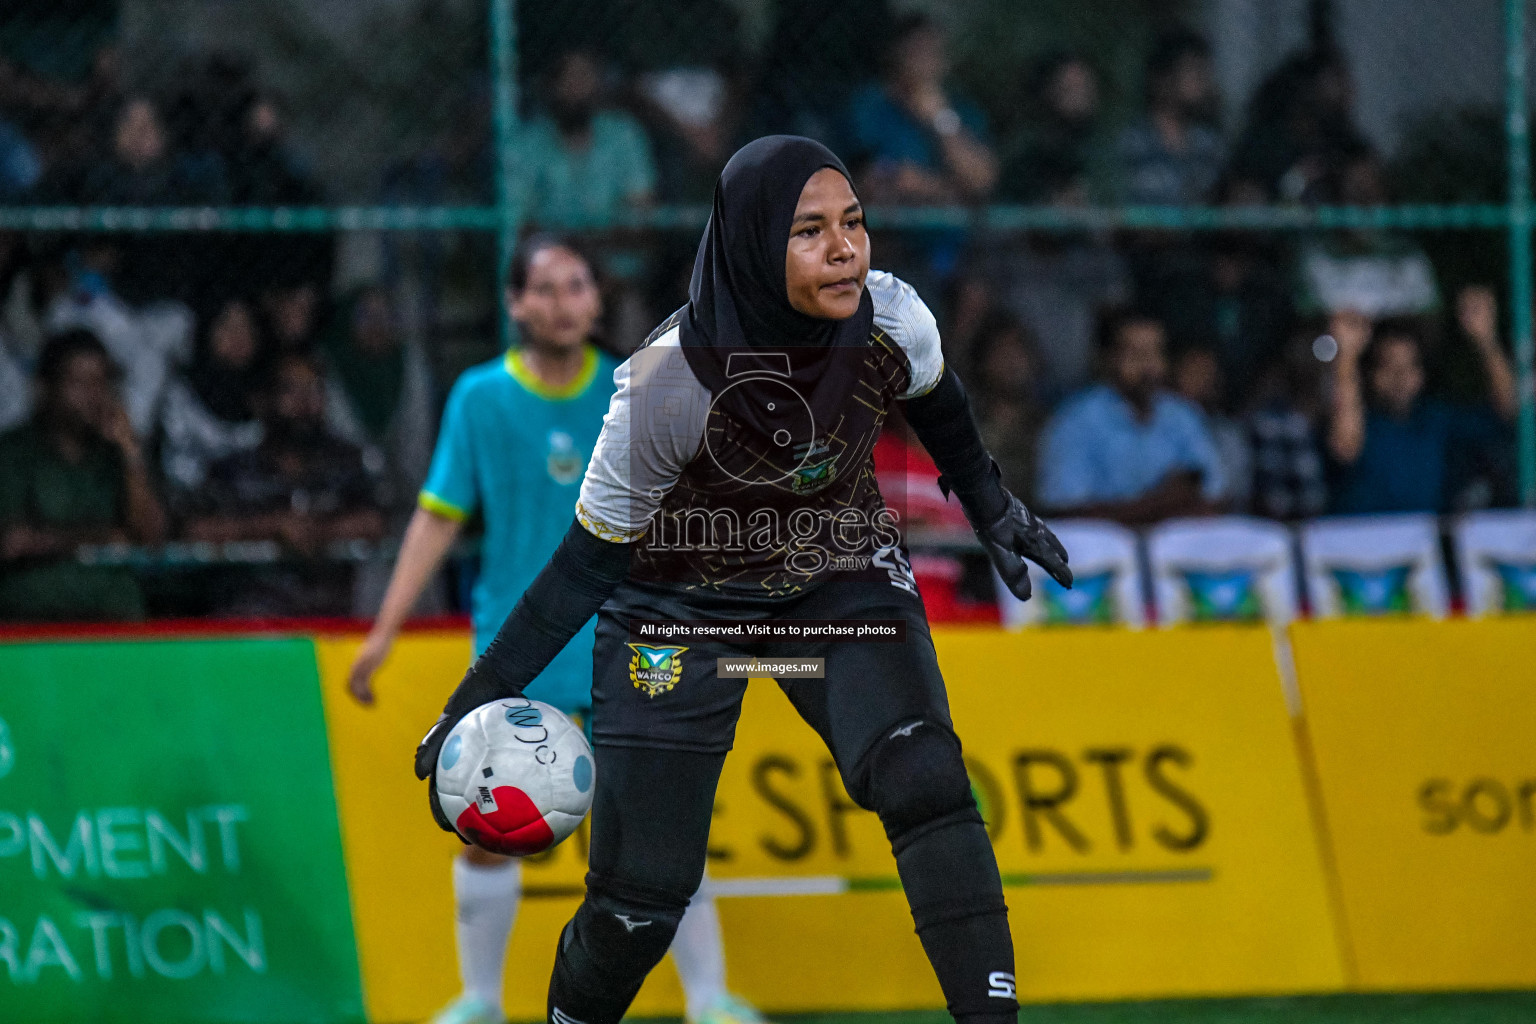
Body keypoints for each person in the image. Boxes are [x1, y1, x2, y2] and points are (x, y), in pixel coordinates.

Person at [413, 136, 1071, 1024]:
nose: (846, 249)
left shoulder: (890, 316)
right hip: (677, 618)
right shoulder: (665, 384)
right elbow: (586, 564)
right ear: (755, 245)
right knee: (638, 906)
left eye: (854, 223)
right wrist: (477, 694)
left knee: (923, 774)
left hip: (836, 581)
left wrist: (989, 501)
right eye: (809, 232)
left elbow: (938, 399)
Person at [347, 236, 765, 1024]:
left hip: (628, 648)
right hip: (519, 654)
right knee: (482, 825)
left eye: (577, 285)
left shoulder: (631, 388)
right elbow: (437, 520)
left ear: (596, 301)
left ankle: (711, 1001)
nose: (564, 301)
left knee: (661, 829)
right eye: (544, 288)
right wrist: (383, 634)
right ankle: (478, 1001)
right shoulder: (477, 398)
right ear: (515, 304)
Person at [185, 351, 385, 616]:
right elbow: (197, 530)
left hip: (328, 625)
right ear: (263, 401)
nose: (304, 403)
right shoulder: (233, 470)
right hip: (248, 624)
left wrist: (319, 530)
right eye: (291, 391)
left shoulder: (346, 462)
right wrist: (271, 527)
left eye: (314, 390)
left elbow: (376, 522)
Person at [0, 328, 165, 621]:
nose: (94, 395)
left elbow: (150, 537)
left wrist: (131, 455)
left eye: (101, 382)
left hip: (112, 609)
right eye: (79, 383)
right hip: (29, 611)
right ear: (45, 388)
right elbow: (13, 542)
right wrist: (103, 538)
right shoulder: (13, 451)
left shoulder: (114, 454)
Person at [1325, 291, 1517, 514]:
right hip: (1358, 547)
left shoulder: (1436, 419)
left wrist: (1486, 340)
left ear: (1422, 374)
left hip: (1426, 546)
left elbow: (1508, 410)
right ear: (1370, 375)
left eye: (1410, 366)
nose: (1400, 377)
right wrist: (1347, 356)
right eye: (1388, 366)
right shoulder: (1358, 419)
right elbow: (1346, 444)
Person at [1036, 308, 1227, 523]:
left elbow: (1214, 500)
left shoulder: (1182, 415)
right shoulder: (1075, 420)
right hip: (1103, 552)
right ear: (1108, 359)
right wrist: (1160, 502)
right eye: (1135, 354)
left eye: (1155, 352)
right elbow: (1068, 515)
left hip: (1174, 550)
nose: (1148, 366)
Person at [158, 296, 266, 501]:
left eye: (247, 327)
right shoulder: (178, 394)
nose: (238, 337)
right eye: (227, 326)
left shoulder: (269, 395)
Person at [1111, 29, 1223, 206]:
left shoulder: (1208, 145)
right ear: (1162, 78)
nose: (1201, 80)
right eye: (1192, 70)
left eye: (1204, 71)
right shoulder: (1131, 142)